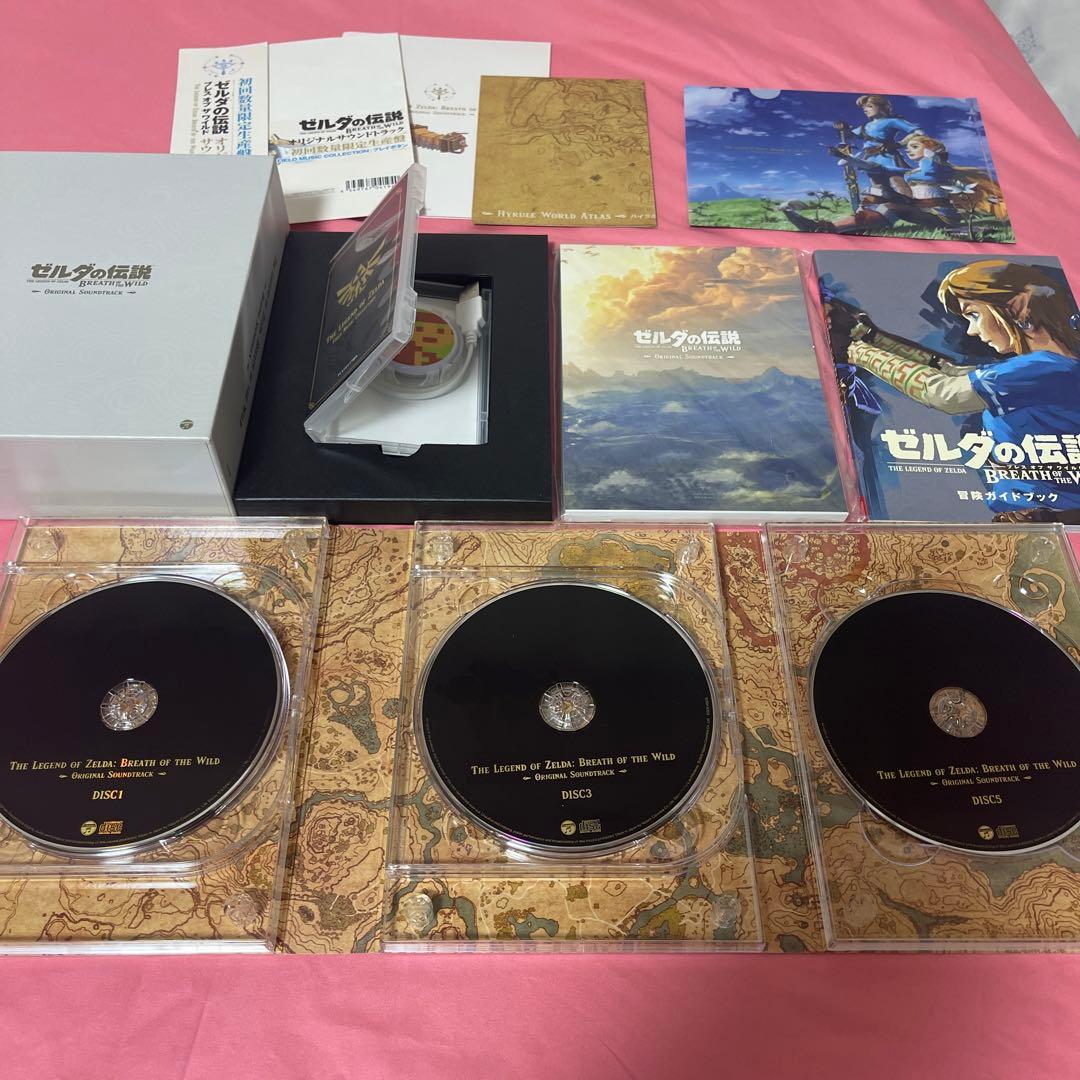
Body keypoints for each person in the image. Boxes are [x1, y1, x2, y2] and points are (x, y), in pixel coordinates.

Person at [843, 260, 1080, 522]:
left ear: (1012, 308)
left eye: (974, 315)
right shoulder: (1050, 367)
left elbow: (942, 392)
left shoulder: (1041, 368)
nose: (971, 330)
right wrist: (870, 337)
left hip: (1046, 519)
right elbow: (949, 371)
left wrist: (854, 351)